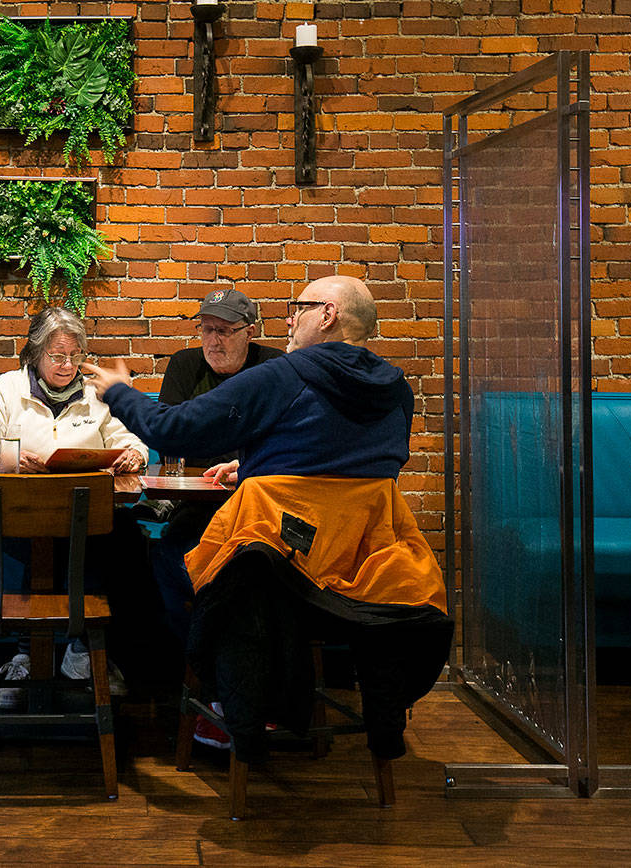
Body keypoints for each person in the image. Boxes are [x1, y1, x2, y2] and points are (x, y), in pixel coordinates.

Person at [83, 275, 452, 765]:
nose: (289, 318)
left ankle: (231, 695)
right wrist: (258, 466)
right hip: (364, 582)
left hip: (277, 578)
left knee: (172, 558)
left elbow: (172, 431)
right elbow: (345, 469)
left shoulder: (287, 374)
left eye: (297, 307)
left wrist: (120, 392)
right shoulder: (397, 391)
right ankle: (286, 691)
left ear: (327, 314)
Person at [0, 306, 150, 709]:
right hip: (19, 515)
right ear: (35, 354)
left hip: (85, 516)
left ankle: (36, 654)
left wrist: (133, 454)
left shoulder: (96, 394)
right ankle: (63, 652)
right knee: (66, 541)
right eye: (57, 356)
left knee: (114, 536)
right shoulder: (8, 388)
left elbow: (132, 438)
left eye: (75, 356)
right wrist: (5, 456)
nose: (67, 366)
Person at [153, 288, 282, 666]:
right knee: (168, 556)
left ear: (251, 331)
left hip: (261, 508)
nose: (213, 340)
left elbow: (285, 440)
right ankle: (208, 665)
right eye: (206, 329)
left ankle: (230, 670)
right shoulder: (185, 365)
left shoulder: (275, 367)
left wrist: (233, 457)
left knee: (246, 570)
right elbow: (169, 437)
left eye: (224, 330)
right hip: (200, 505)